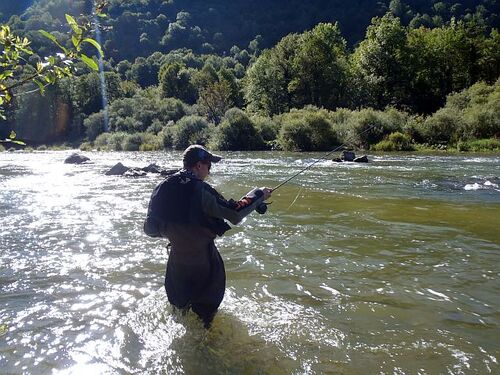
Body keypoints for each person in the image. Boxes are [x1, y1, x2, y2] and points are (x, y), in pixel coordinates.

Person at [144, 144, 272, 328]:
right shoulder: (201, 190)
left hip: (176, 266)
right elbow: (235, 213)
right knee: (205, 321)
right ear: (198, 166)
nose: (209, 171)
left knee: (180, 314)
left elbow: (149, 229)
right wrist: (259, 194)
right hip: (204, 265)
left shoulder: (162, 187)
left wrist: (176, 232)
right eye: (208, 166)